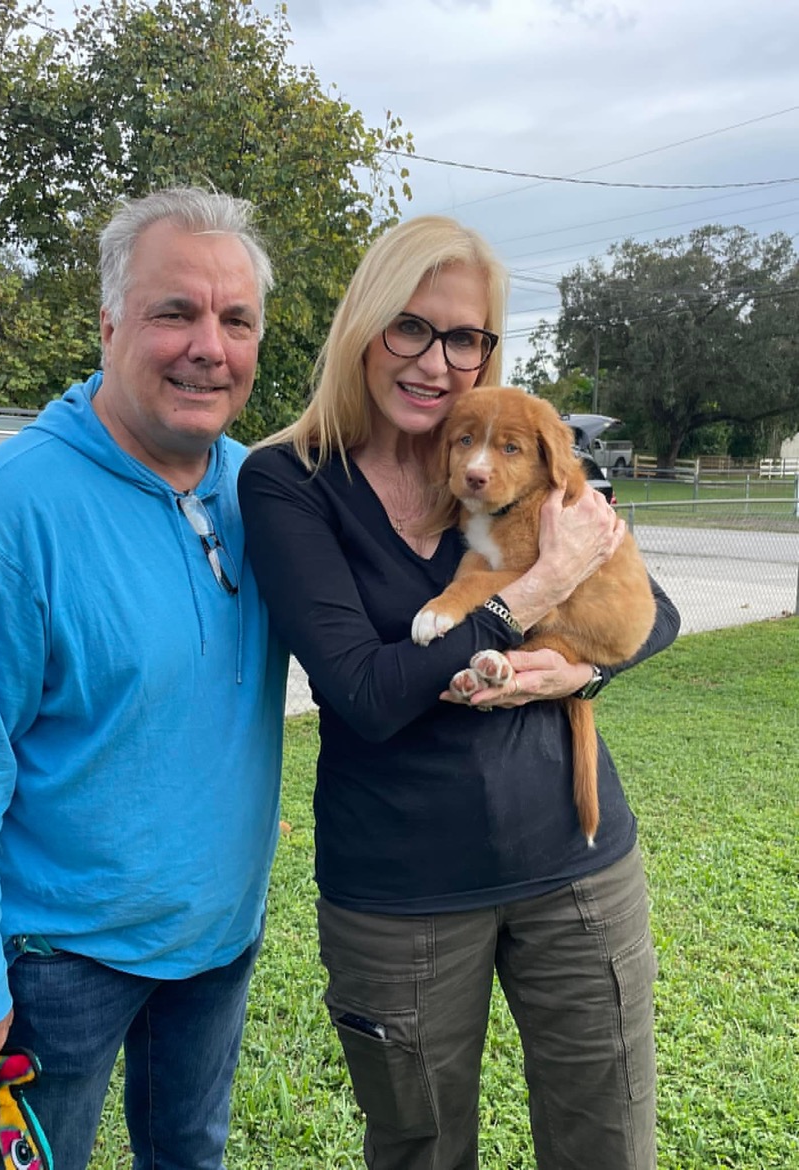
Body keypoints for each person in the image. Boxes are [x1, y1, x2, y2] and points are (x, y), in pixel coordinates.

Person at [237, 214, 680, 1170]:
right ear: (363, 325)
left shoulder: (518, 465)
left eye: (465, 338)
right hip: (402, 895)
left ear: (488, 351)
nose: (436, 362)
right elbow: (363, 690)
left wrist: (585, 667)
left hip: (577, 869)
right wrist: (525, 597)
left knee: (608, 1141)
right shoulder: (289, 481)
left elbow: (656, 610)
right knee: (420, 1149)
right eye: (410, 327)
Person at [0, 186, 287, 1170]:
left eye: (235, 319)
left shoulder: (264, 495)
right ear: (111, 322)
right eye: (175, 312)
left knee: (189, 1157)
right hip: (54, 966)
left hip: (215, 944)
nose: (208, 345)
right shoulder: (12, 513)